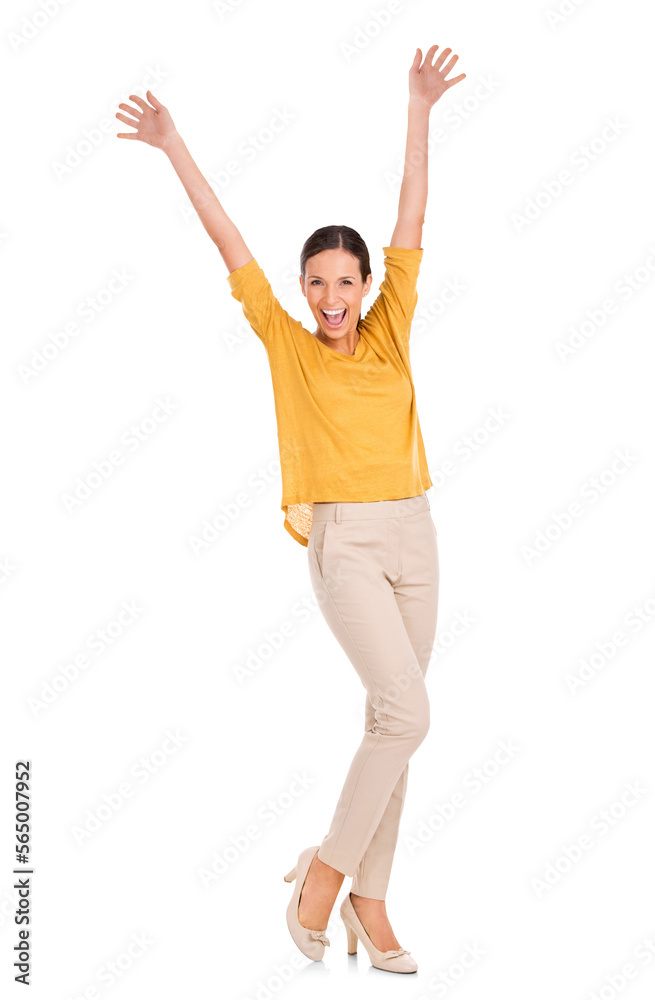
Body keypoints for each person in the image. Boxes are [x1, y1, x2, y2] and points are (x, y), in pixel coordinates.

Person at [116, 42, 465, 974]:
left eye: (344, 281)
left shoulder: (391, 328)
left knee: (399, 717)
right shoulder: (289, 344)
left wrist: (418, 107)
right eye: (316, 281)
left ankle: (372, 901)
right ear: (304, 291)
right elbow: (229, 240)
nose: (331, 296)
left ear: (365, 288)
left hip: (415, 531)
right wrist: (173, 142)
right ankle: (325, 880)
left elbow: (411, 214)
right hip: (344, 541)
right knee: (404, 714)